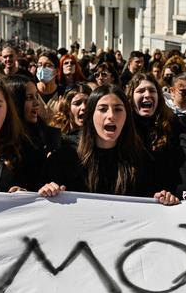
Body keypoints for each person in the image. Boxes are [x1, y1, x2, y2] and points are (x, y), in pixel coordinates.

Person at [40, 84, 176, 204]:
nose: (111, 115)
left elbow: (154, 198)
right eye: (103, 109)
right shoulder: (66, 155)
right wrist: (48, 190)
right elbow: (41, 198)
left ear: (126, 116)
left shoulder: (141, 158)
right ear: (91, 115)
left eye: (118, 109)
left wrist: (164, 198)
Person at [5, 74, 62, 157]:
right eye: (29, 98)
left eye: (36, 96)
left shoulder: (45, 134)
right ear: (14, 102)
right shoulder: (2, 142)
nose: (37, 103)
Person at [50, 83, 91, 148]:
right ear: (67, 108)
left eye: (87, 103)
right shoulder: (56, 137)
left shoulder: (97, 139)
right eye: (77, 103)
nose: (84, 107)